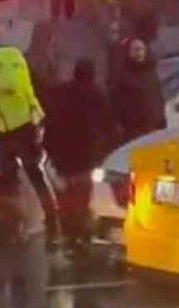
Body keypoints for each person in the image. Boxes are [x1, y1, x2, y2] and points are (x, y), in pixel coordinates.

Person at [0, 29, 60, 247]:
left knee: (35, 173)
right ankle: (14, 226)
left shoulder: (11, 57)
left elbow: (14, 85)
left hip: (25, 124)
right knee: (8, 181)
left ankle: (53, 225)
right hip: (2, 130)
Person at [44, 58, 118, 249]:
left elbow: (50, 121)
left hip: (64, 152)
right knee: (83, 193)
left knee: (67, 191)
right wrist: (109, 148)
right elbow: (106, 124)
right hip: (87, 153)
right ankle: (80, 231)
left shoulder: (61, 93)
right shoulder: (96, 95)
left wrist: (49, 147)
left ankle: (66, 229)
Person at [109, 37, 166, 143]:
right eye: (135, 50)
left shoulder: (151, 72)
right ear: (129, 52)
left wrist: (161, 121)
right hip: (132, 130)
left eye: (141, 49)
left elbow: (158, 98)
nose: (138, 53)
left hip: (152, 128)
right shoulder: (122, 75)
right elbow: (115, 101)